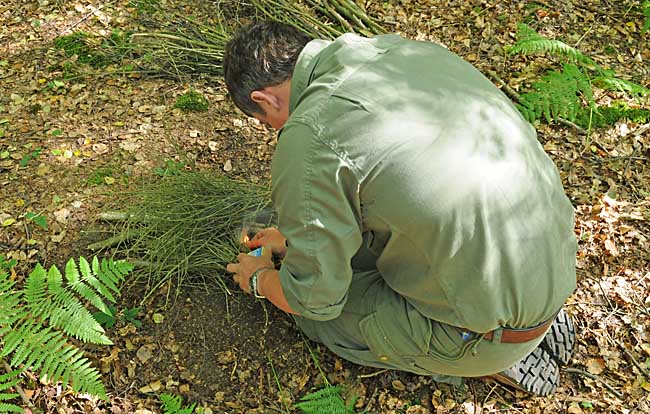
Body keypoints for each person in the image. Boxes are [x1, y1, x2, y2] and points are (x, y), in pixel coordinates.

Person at [224, 21, 577, 396]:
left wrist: (261, 277)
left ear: (265, 99)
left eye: (264, 122)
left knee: (320, 321)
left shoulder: (310, 135)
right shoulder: (398, 52)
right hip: (547, 265)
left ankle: (479, 358)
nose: (272, 129)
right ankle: (515, 324)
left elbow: (313, 300)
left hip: (485, 331)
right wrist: (296, 238)